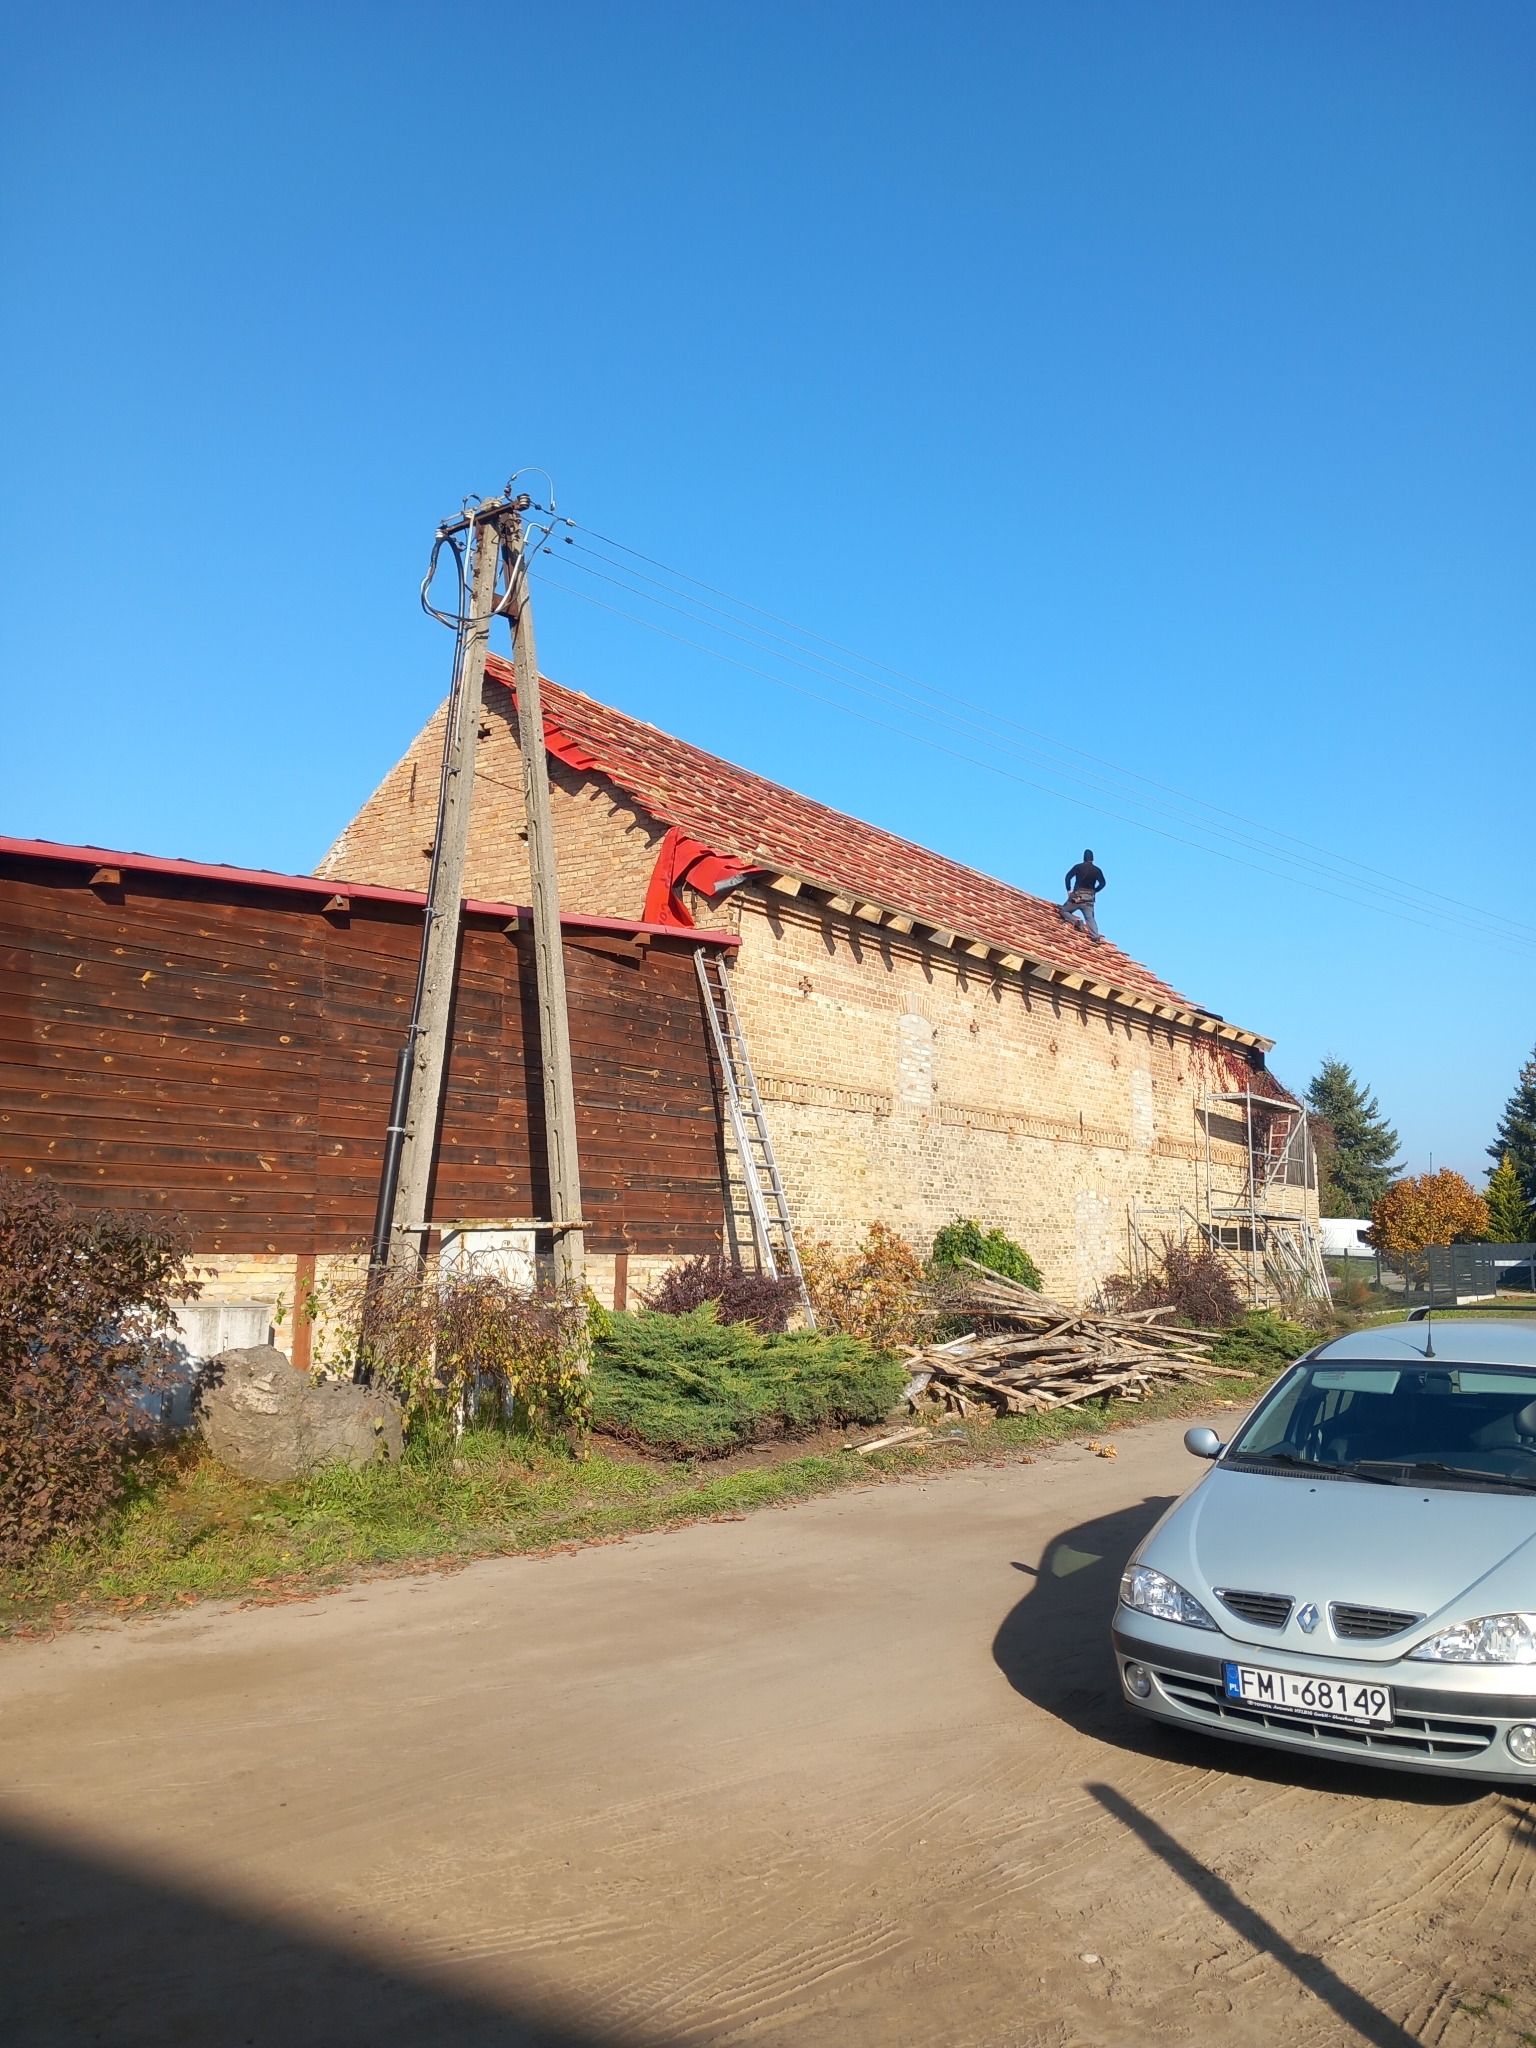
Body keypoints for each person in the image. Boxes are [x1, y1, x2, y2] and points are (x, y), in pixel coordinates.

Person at [1059, 848, 1105, 941]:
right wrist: (1095, 891)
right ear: (1092, 859)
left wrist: (1068, 889)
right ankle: (1095, 936)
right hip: (1089, 899)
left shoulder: (1078, 867)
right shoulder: (1097, 870)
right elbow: (1103, 883)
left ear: (1084, 858)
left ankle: (1076, 922)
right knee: (1090, 918)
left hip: (1077, 897)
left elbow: (1068, 877)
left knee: (1064, 910)